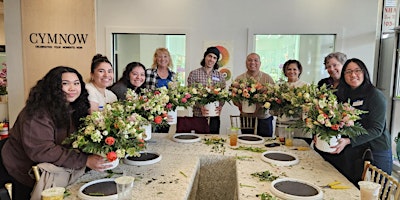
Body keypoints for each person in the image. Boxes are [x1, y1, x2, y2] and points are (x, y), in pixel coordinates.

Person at [0, 66, 111, 199]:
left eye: (76, 83)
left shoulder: (74, 107)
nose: (72, 88)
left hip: (52, 167)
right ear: (52, 87)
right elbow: (43, 150)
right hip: (22, 170)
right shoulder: (37, 113)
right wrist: (84, 160)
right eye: (65, 84)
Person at [320, 58, 392, 186]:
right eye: (348, 72)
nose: (353, 75)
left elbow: (376, 129)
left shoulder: (375, 95)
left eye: (357, 71)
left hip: (376, 149)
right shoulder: (344, 94)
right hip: (355, 151)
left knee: (377, 190)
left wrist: (349, 140)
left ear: (364, 72)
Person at [233, 53, 275, 137]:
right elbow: (234, 96)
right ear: (246, 63)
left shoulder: (267, 78)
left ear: (260, 63)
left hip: (264, 118)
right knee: (246, 142)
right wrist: (240, 106)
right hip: (246, 118)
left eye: (255, 60)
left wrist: (261, 105)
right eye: (249, 60)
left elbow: (273, 97)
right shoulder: (239, 79)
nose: (252, 62)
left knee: (265, 143)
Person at [187, 47, 226, 134]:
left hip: (214, 115)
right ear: (205, 57)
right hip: (198, 115)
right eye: (209, 56)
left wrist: (220, 106)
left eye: (214, 58)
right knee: (199, 142)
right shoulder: (194, 74)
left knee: (213, 140)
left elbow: (223, 94)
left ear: (216, 61)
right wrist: (200, 106)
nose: (211, 59)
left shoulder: (220, 76)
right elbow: (190, 95)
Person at [145, 48, 176, 133]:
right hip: (152, 112)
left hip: (167, 112)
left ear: (169, 58)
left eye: (165, 56)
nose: (163, 59)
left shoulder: (173, 75)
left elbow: (175, 95)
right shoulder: (148, 73)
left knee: (164, 135)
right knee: (152, 134)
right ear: (155, 58)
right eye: (160, 56)